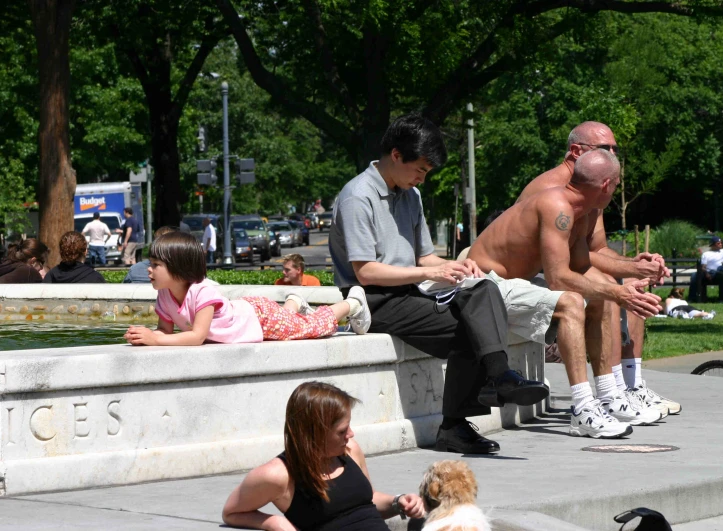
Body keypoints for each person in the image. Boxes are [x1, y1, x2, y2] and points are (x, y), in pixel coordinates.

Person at [329, 113, 549, 455]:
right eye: (420, 170)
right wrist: (430, 274)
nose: (422, 179)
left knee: (483, 291)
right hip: (373, 302)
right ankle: (472, 409)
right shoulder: (358, 196)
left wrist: (454, 266)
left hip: (408, 293)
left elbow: (424, 258)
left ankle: (495, 381)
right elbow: (366, 272)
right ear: (396, 155)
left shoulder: (410, 195)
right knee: (474, 328)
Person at [470, 150, 663, 438]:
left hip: (514, 283)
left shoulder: (580, 212)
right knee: (571, 301)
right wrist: (618, 291)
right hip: (483, 286)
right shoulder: (557, 206)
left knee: (600, 296)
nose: (617, 189)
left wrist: (634, 273)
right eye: (618, 183)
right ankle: (583, 409)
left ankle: (608, 396)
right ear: (606, 185)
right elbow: (558, 277)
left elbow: (583, 266)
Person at [512, 121, 679, 417]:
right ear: (576, 151)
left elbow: (594, 250)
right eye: (605, 148)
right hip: (523, 275)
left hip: (559, 268)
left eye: (616, 148)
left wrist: (637, 267)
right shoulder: (551, 191)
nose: (613, 155)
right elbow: (557, 268)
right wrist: (614, 286)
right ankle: (609, 393)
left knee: (628, 281)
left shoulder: (591, 185)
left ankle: (631, 386)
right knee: (609, 290)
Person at [222, 381, 425, 530]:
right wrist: (274, 522)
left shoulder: (350, 450)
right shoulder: (277, 475)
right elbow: (231, 513)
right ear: (315, 432)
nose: (351, 434)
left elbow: (367, 500)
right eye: (341, 431)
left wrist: (398, 502)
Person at [124, 232, 370, 346]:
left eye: (156, 265)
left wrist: (154, 340)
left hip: (259, 318)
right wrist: (148, 336)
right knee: (292, 321)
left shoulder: (203, 292)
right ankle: (294, 302)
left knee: (309, 328)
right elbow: (164, 332)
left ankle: (352, 303)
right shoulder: (165, 295)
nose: (149, 270)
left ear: (178, 268)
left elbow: (197, 337)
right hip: (252, 314)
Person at [688, 236, 723, 303]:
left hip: (718, 273)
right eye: (718, 243)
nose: (721, 244)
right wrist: (706, 273)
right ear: (713, 244)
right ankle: (692, 298)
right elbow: (703, 266)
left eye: (721, 243)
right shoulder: (706, 254)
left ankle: (721, 298)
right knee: (694, 275)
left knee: (721, 270)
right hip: (707, 272)